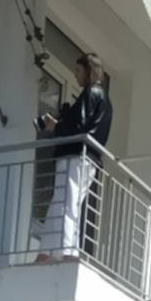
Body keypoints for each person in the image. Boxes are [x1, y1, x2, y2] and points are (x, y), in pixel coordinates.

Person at [36, 55, 111, 261]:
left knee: (66, 203)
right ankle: (46, 253)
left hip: (75, 155)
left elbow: (76, 128)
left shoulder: (92, 92)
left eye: (78, 70)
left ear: (88, 71)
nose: (75, 74)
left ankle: (67, 253)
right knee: (64, 203)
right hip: (88, 158)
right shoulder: (103, 98)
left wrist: (55, 126)